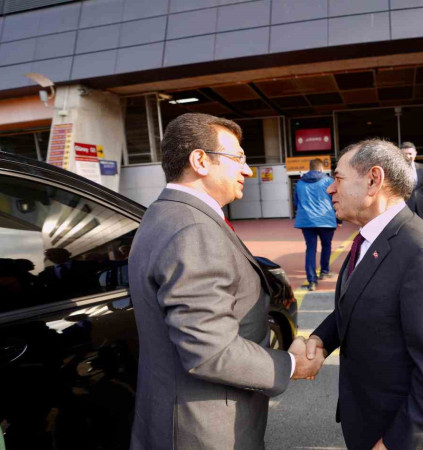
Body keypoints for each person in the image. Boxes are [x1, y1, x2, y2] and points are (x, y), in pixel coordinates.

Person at [128, 113, 323, 450]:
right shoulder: (193, 230)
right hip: (204, 428)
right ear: (200, 160)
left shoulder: (163, 213)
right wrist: (290, 364)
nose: (247, 171)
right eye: (238, 159)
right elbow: (209, 351)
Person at [304, 139, 423, 450]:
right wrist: (321, 339)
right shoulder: (370, 237)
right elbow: (360, 301)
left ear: (373, 180)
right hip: (372, 418)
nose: (330, 189)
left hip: (406, 433)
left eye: (338, 179)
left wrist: (397, 443)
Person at [294, 158, 337, 291]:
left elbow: (296, 202)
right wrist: (339, 220)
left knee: (310, 249)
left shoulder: (300, 183)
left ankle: (312, 281)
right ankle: (324, 271)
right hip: (326, 220)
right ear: (321, 168)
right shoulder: (328, 181)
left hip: (306, 221)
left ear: (310, 168)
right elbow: (335, 200)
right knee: (326, 245)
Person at [401, 142, 423, 225]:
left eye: (410, 154)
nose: (408, 156)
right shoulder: (396, 170)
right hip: (405, 210)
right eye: (405, 154)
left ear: (415, 153)